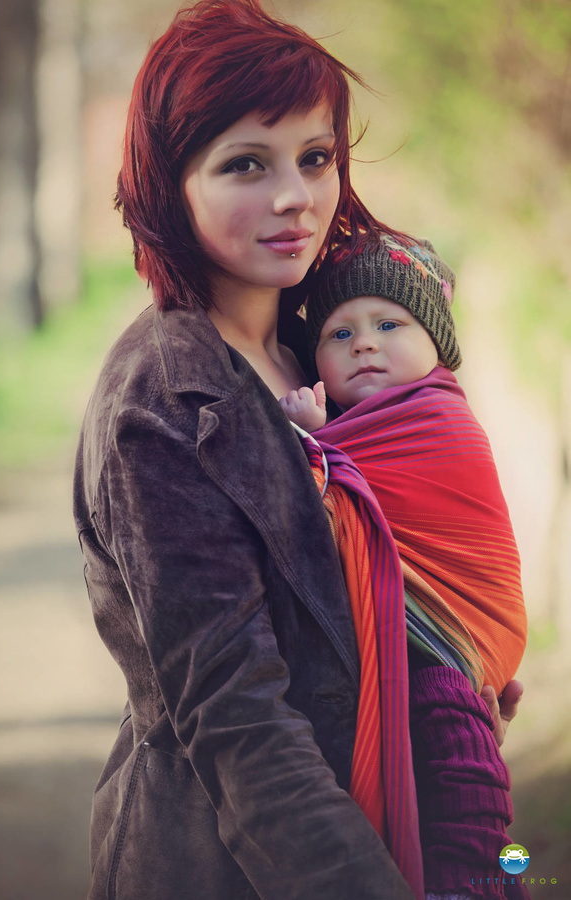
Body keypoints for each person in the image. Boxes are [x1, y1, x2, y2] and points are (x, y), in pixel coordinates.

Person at [73, 2, 521, 898]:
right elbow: (240, 726)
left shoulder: (314, 343)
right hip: (229, 866)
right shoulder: (163, 403)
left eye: (316, 158)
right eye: (246, 164)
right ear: (172, 184)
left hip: (387, 814)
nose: (297, 198)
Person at [280, 235, 529, 899]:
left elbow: (337, 505)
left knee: (462, 791)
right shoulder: (355, 426)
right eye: (339, 333)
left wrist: (309, 447)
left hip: (448, 656)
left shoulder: (443, 421)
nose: (364, 343)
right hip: (409, 659)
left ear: (437, 346)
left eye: (390, 324)